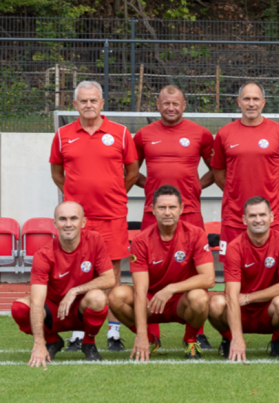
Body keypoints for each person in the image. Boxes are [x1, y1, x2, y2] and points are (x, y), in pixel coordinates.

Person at [49, 80, 139, 351]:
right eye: (83, 101)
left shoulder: (121, 133)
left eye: (93, 100)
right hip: (77, 221)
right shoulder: (62, 135)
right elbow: (57, 173)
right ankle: (79, 333)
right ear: (75, 104)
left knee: (112, 274)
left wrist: (114, 194)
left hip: (112, 216)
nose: (89, 105)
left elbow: (133, 172)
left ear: (102, 103)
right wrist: (74, 203)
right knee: (78, 274)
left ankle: (113, 333)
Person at [133, 84, 215, 350]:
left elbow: (217, 169)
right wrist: (148, 186)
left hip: (190, 212)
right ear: (157, 105)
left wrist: (197, 186)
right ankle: (151, 334)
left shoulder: (201, 134)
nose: (171, 108)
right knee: (150, 271)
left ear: (184, 105)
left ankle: (196, 333)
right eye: (166, 103)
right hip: (153, 213)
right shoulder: (143, 135)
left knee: (196, 269)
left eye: (175, 103)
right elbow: (131, 170)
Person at [108, 185, 215, 361]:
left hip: (182, 302)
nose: (167, 212)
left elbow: (209, 278)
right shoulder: (141, 240)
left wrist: (171, 289)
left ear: (181, 209)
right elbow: (140, 290)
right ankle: (150, 340)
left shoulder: (196, 234)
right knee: (116, 296)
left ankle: (190, 340)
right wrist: (141, 335)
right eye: (162, 207)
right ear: (152, 209)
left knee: (200, 297)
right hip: (152, 301)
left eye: (172, 207)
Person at [12, 202, 116, 366]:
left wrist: (74, 291)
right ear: (55, 223)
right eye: (62, 219)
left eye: (73, 218)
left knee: (98, 297)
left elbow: (109, 279)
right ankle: (52, 341)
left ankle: (89, 343)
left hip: (80, 308)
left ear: (83, 222)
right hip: (53, 311)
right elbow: (37, 301)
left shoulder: (94, 240)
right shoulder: (44, 254)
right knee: (19, 308)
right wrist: (38, 343)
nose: (68, 224)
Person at [211, 81, 279, 251]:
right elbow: (219, 175)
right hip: (235, 217)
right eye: (246, 99)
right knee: (233, 264)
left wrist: (273, 196)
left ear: (263, 102)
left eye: (256, 99)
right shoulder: (224, 133)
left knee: (275, 264)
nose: (251, 104)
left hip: (273, 217)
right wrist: (236, 195)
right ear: (239, 102)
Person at [208, 196, 279, 361]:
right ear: (244, 219)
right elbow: (232, 295)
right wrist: (237, 338)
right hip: (240, 310)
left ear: (271, 217)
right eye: (252, 216)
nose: (258, 220)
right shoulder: (235, 246)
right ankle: (229, 339)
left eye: (262, 215)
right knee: (215, 303)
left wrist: (249, 298)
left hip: (268, 309)